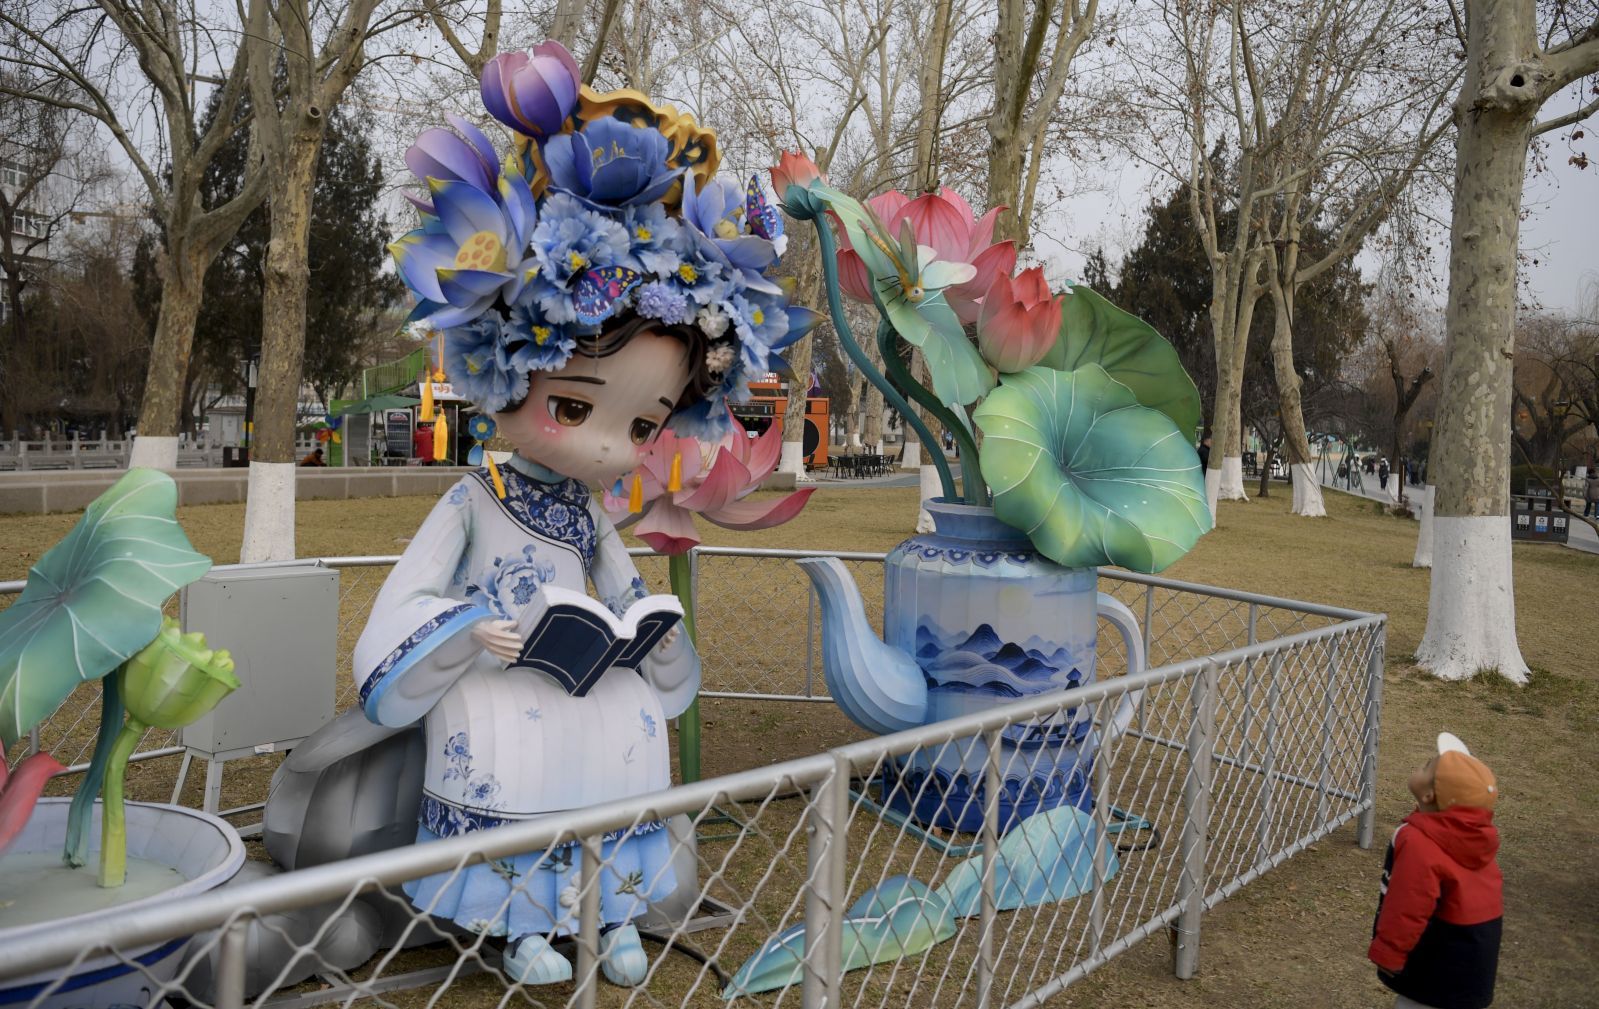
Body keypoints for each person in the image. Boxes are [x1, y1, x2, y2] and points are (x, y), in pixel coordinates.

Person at [344, 40, 809, 989]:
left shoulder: (592, 517)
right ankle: (521, 922)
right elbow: (409, 597)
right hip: (497, 671)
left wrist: (648, 632)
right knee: (518, 749)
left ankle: (613, 905)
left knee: (622, 729)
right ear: (504, 370)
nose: (610, 447)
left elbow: (624, 590)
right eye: (572, 406)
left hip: (587, 679)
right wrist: (471, 629)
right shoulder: (473, 497)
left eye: (641, 423)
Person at [1369, 732, 1501, 1009]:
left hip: (1436, 966)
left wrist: (1389, 952)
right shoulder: (1476, 838)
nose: (1420, 765)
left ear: (1429, 794)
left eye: (1427, 765)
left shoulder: (1419, 841)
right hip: (1473, 965)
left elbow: (1408, 903)